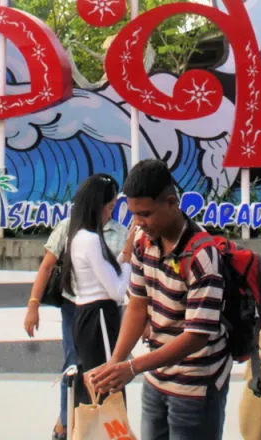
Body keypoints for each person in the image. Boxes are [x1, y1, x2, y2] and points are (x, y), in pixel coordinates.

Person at [90, 159, 231, 440]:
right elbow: (137, 307)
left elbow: (196, 337)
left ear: (171, 202)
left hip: (195, 387)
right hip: (156, 377)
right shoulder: (143, 241)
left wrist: (132, 367)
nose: (137, 223)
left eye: (145, 214)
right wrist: (115, 363)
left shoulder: (202, 255)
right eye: (132, 214)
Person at [24, 177, 129, 440]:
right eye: (110, 204)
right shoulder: (74, 231)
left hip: (103, 312)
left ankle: (79, 426)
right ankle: (69, 423)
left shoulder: (115, 232)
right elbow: (47, 265)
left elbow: (125, 286)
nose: (112, 209)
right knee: (80, 369)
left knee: (93, 372)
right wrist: (33, 304)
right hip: (81, 308)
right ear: (98, 204)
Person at [63, 175, 135, 408]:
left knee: (94, 383)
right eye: (110, 207)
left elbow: (105, 271)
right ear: (98, 206)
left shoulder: (77, 235)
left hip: (86, 314)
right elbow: (116, 290)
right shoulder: (91, 239)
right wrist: (129, 256)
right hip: (100, 316)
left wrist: (124, 255)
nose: (111, 214)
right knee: (107, 387)